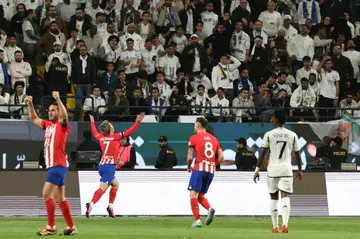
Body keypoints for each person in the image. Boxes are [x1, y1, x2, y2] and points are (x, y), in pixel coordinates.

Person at [25, 91, 77, 236]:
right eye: (49, 111)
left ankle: (51, 226)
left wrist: (59, 99)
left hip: (57, 165)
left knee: (46, 195)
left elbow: (65, 116)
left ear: (59, 112)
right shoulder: (48, 125)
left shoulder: (62, 125)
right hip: (57, 165)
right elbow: (34, 118)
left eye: (53, 110)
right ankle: (71, 226)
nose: (50, 113)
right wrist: (30, 104)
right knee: (60, 198)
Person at [86, 112, 145, 218]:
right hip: (110, 167)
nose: (113, 126)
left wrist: (92, 122)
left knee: (115, 184)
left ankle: (110, 206)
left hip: (101, 166)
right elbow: (130, 131)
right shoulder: (116, 137)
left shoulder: (101, 138)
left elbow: (94, 132)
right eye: (111, 125)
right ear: (110, 129)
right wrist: (138, 122)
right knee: (102, 188)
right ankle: (91, 204)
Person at [253, 110, 303, 233]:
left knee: (274, 197)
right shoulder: (292, 135)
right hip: (286, 169)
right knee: (285, 196)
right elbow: (297, 154)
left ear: (276, 119)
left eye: (272, 118)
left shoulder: (269, 134)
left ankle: (275, 227)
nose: (271, 120)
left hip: (273, 169)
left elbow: (262, 153)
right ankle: (285, 224)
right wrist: (300, 170)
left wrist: (257, 169)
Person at [187, 117, 224, 228]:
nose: (194, 127)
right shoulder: (214, 139)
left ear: (198, 125)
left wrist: (189, 166)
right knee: (201, 195)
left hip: (199, 168)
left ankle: (197, 221)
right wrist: (212, 163)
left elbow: (189, 157)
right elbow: (221, 157)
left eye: (194, 125)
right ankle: (209, 209)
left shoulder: (194, 138)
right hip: (211, 170)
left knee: (193, 194)